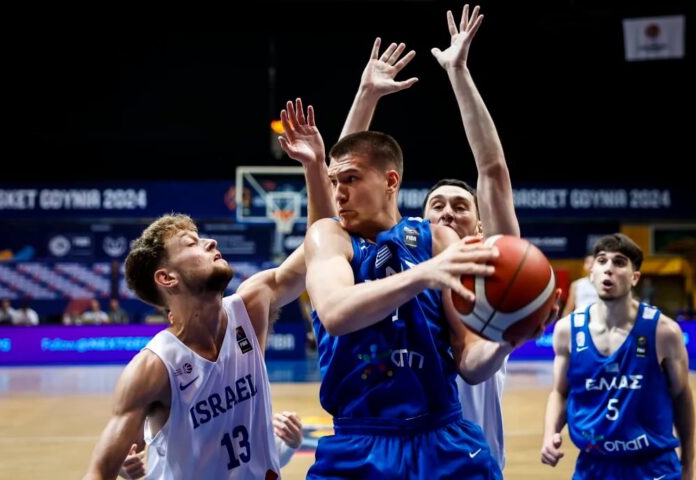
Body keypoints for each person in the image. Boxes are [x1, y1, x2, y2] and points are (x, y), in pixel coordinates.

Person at [337, 5, 520, 469]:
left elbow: (492, 171)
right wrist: (365, 95)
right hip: (400, 447)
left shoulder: (492, 271)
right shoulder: (399, 258)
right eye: (437, 206)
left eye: (460, 206)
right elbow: (344, 176)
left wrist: (458, 72)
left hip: (469, 453)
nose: (447, 212)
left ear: (481, 227)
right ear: (421, 225)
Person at [82, 214, 308, 479]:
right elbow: (100, 472)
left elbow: (319, 248)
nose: (211, 242)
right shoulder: (153, 367)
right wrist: (122, 462)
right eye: (191, 243)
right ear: (167, 278)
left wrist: (317, 183)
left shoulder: (249, 310)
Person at [541, 233, 694, 479]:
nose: (608, 268)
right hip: (594, 466)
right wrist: (550, 433)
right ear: (591, 273)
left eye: (619, 262)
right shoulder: (567, 330)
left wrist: (688, 465)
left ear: (635, 277)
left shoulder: (664, 332)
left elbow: (681, 396)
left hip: (653, 466)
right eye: (602, 261)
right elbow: (560, 392)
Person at [117, 411, 304, 479]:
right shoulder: (156, 369)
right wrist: (120, 465)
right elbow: (121, 453)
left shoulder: (244, 374)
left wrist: (289, 445)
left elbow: (258, 459)